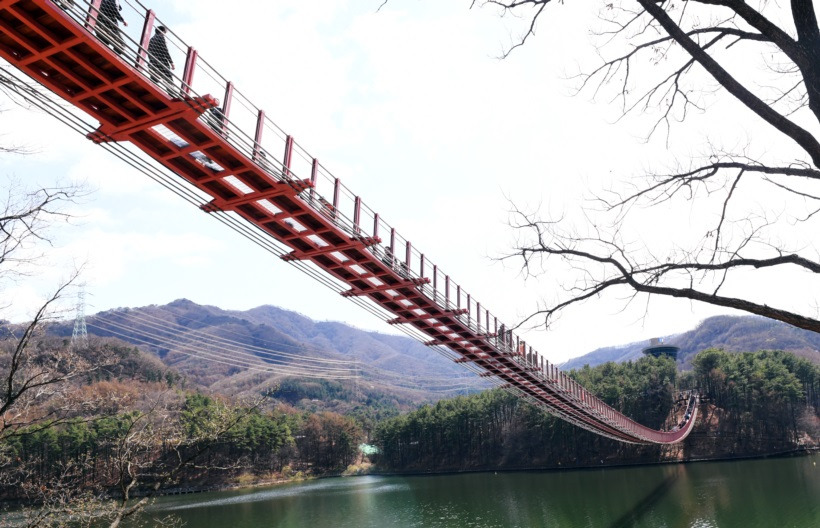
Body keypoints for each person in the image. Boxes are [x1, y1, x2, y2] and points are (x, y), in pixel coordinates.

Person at [147, 25, 175, 90]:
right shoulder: (161, 37)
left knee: (154, 80)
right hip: (162, 62)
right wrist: (171, 62)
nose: (165, 34)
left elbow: (149, 52)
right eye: (165, 32)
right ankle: (172, 94)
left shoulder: (151, 40)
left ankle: (152, 91)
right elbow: (165, 50)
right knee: (168, 79)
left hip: (153, 63)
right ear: (162, 31)